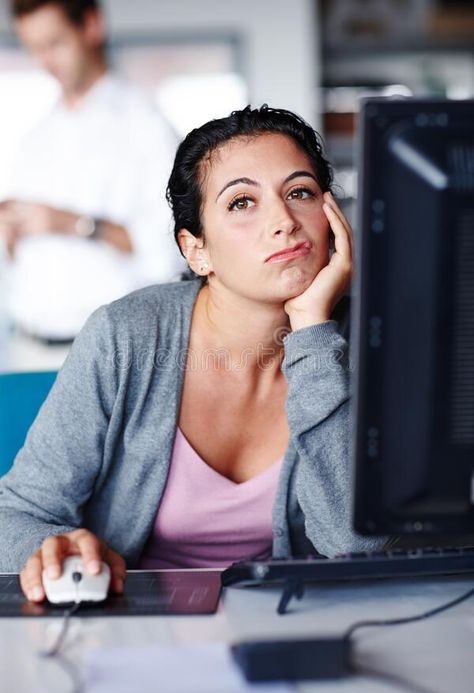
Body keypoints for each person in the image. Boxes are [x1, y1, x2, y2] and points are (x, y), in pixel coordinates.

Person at [0, 105, 390, 601]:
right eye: (242, 203)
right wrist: (51, 548)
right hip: (139, 622)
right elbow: (16, 513)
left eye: (300, 193)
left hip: (298, 620)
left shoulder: (366, 341)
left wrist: (313, 331)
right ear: (195, 250)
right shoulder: (126, 336)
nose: (284, 221)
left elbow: (356, 551)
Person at [0, 0, 182, 344]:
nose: (44, 62)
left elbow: (171, 247)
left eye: (54, 43)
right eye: (33, 48)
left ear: (92, 26)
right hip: (30, 341)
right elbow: (17, 258)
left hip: (109, 347)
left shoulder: (147, 128)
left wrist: (70, 223)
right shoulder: (35, 137)